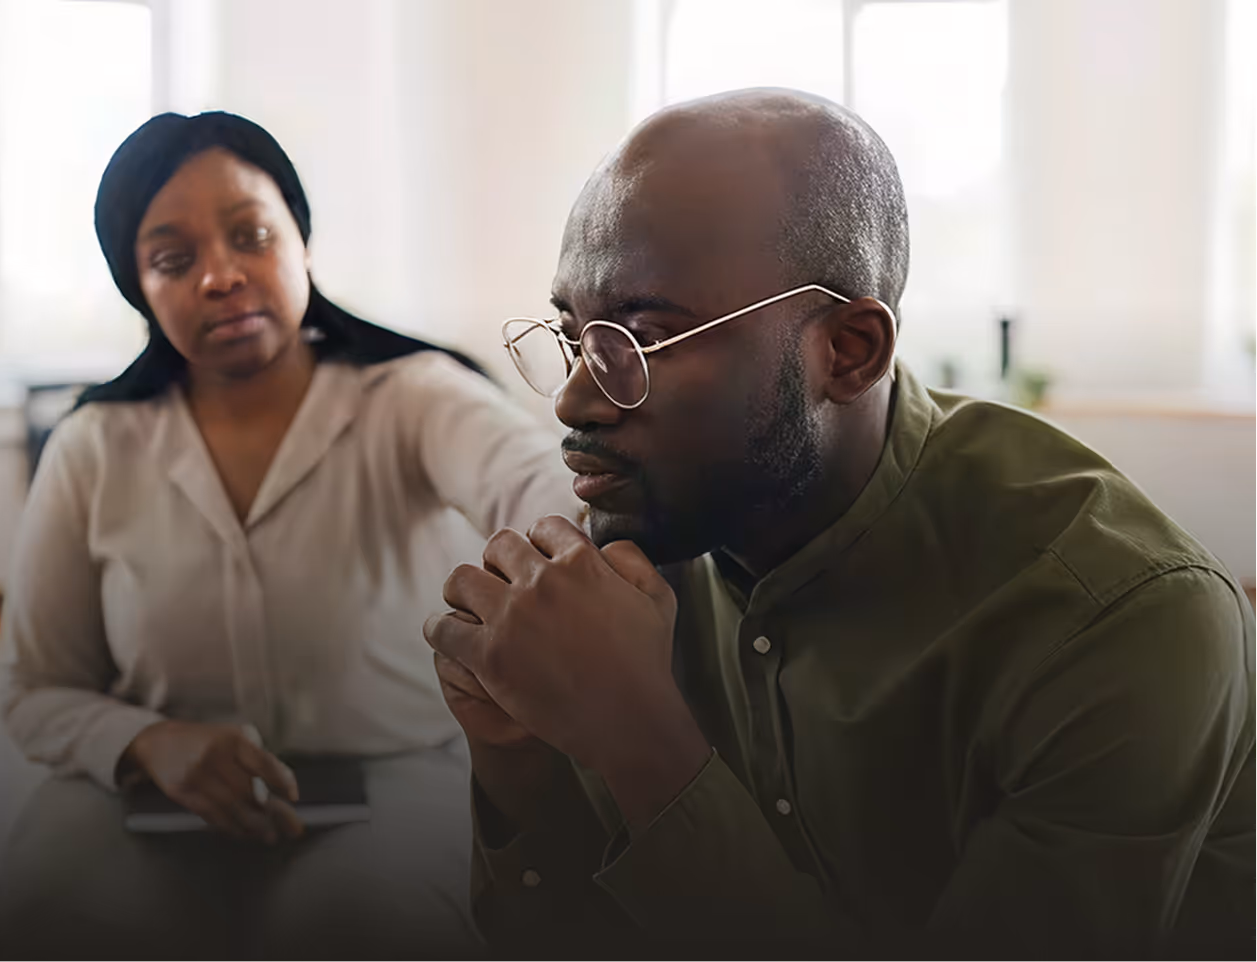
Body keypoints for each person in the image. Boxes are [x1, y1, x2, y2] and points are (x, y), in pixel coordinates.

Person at [424, 89, 1256, 961]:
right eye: (573, 335)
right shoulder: (640, 539)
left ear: (847, 351)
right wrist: (515, 757)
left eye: (642, 340)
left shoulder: (1114, 616)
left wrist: (645, 748)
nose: (574, 399)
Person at [0, 111, 581, 962]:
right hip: (150, 788)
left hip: (392, 779)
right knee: (53, 921)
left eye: (249, 235)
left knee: (359, 930)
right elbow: (35, 689)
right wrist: (149, 742)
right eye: (172, 259)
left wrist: (591, 535)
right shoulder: (95, 446)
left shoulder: (411, 396)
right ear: (138, 289)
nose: (220, 276)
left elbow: (535, 482)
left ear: (299, 241)